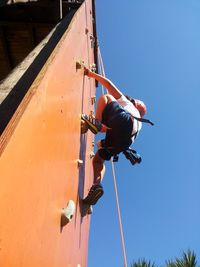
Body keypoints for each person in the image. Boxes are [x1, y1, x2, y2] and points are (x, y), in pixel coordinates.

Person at [81, 67, 153, 206]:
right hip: (124, 143)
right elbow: (118, 136)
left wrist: (90, 74)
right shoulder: (140, 124)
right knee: (98, 160)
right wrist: (101, 144)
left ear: (135, 104)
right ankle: (97, 185)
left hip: (123, 121)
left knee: (107, 97)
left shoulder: (128, 104)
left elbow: (108, 84)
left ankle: (97, 123)